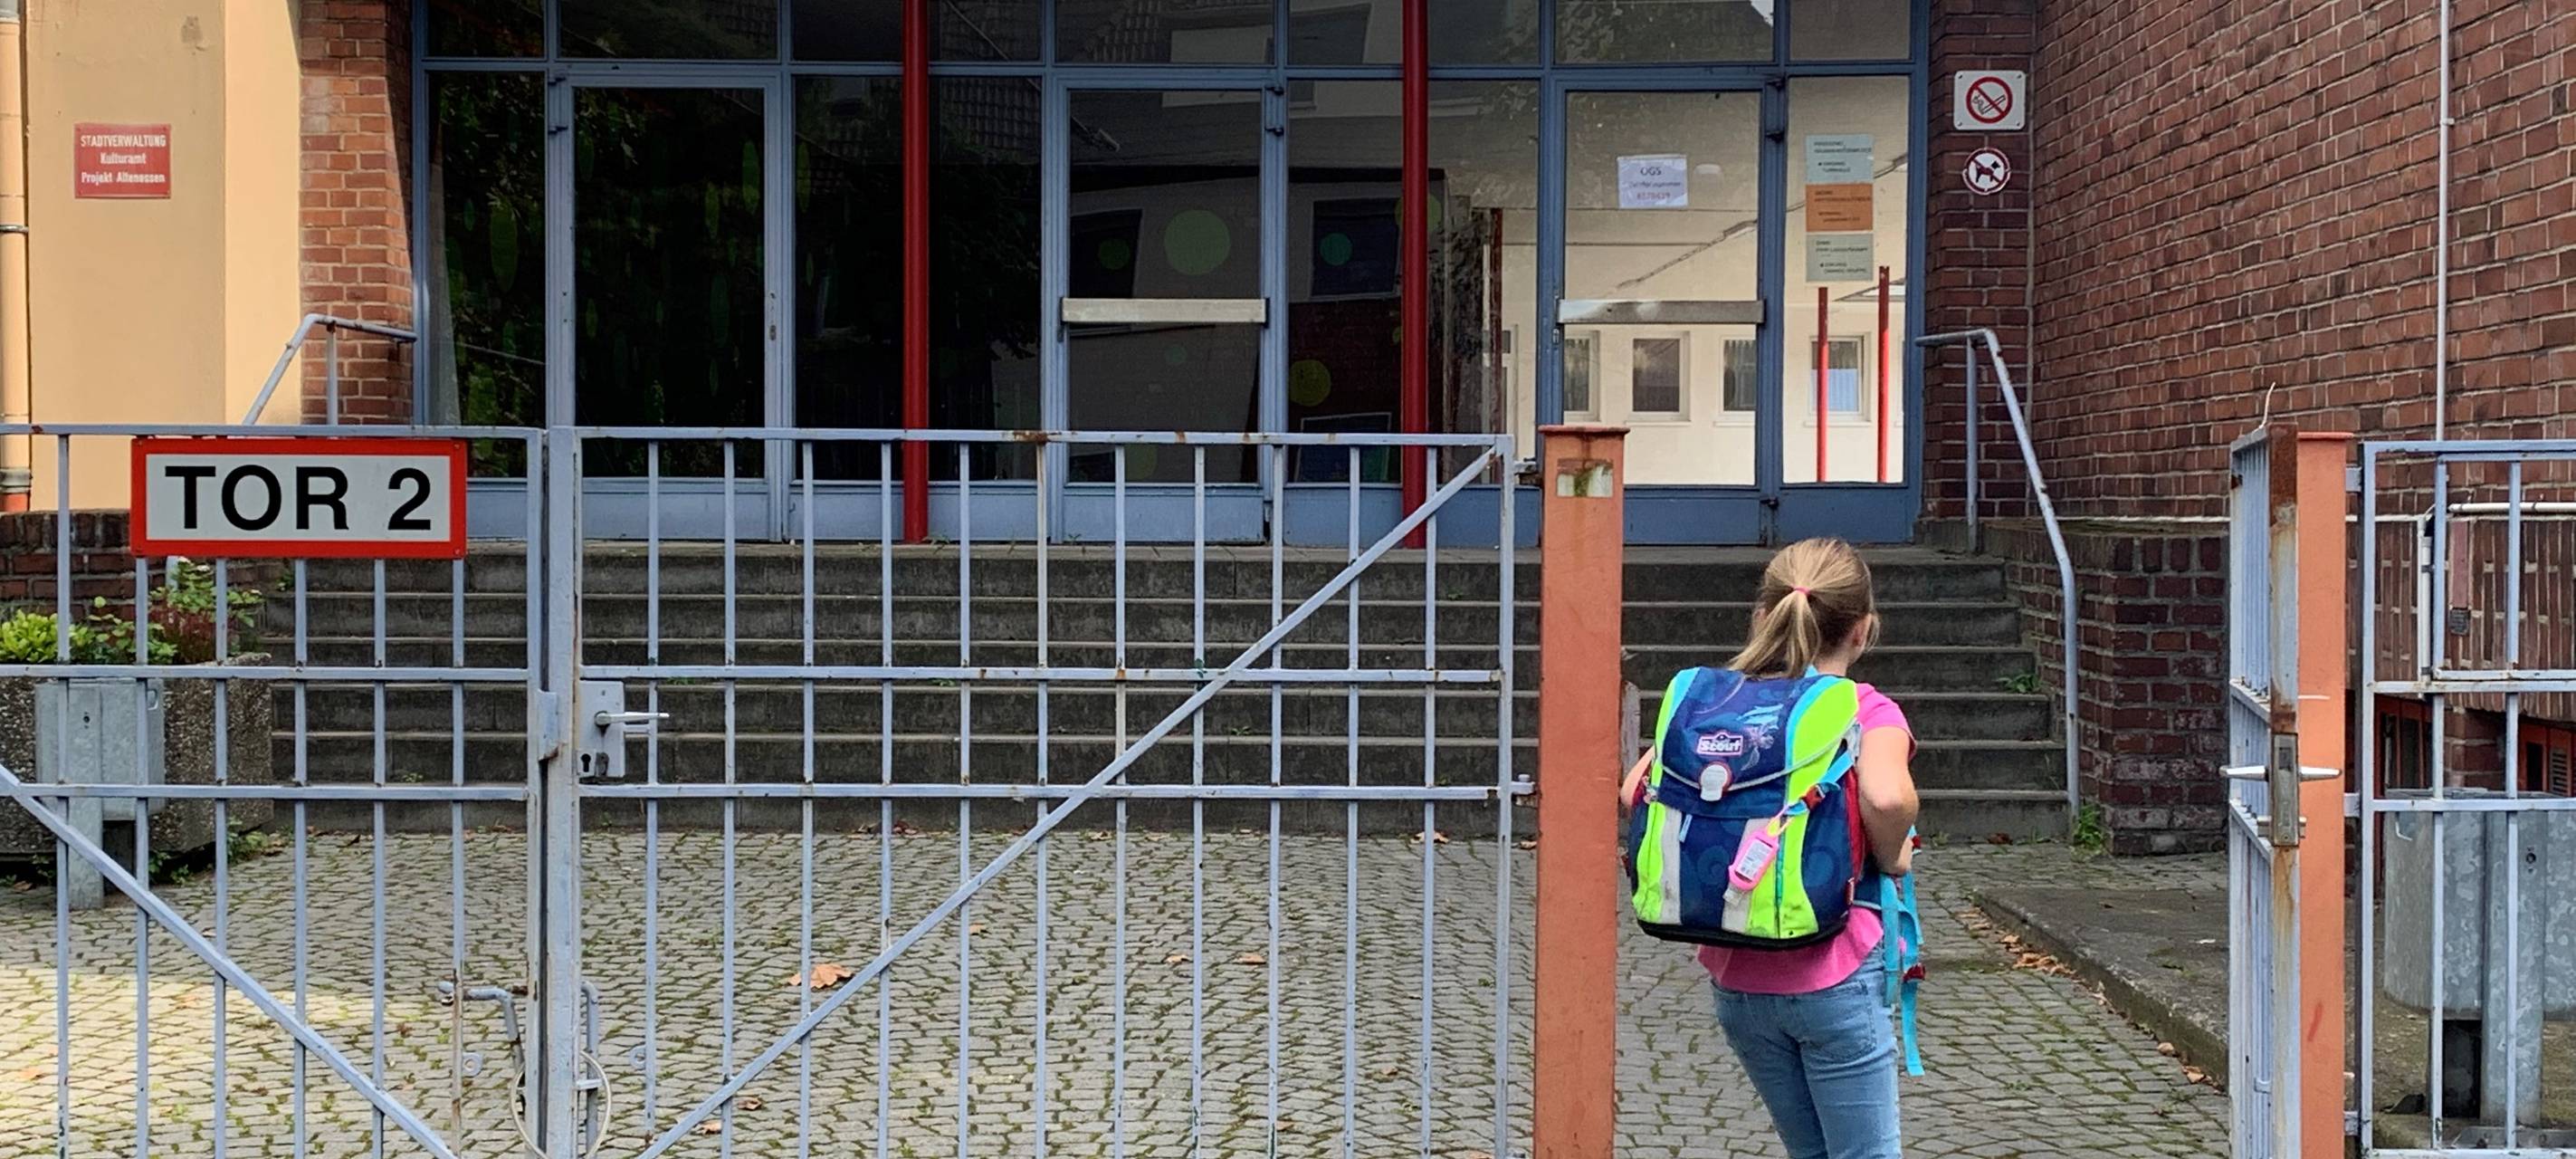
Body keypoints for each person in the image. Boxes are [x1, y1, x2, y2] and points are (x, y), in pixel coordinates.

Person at [1620, 537, 1921, 1159]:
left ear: (1762, 617)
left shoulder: (1713, 705)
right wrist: (1893, 856)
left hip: (1739, 978)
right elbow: (1889, 798)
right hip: (1834, 969)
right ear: (1863, 630)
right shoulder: (1865, 709)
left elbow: (1633, 791)